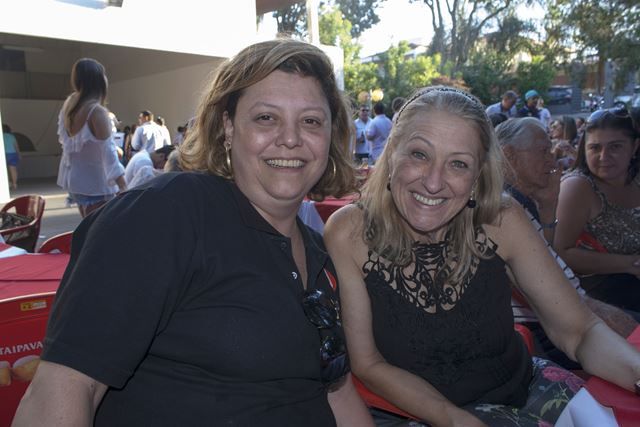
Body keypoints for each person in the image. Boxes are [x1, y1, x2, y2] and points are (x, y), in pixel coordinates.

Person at [12, 39, 373, 427]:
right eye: (266, 118)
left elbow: (337, 394)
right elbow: (63, 389)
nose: (290, 138)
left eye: (311, 121)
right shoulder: (165, 215)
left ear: (331, 135)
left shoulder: (318, 254)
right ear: (227, 127)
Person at [324, 86, 640, 426]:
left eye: (458, 164)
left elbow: (579, 331)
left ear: (477, 176)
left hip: (522, 392)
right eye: (419, 154)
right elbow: (368, 363)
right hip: (415, 413)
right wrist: (453, 419)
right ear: (391, 155)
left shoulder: (501, 219)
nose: (433, 182)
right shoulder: (348, 232)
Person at [497, 117, 638, 369]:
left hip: (557, 321)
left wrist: (549, 206)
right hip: (541, 332)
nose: (551, 160)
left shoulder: (519, 202)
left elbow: (545, 259)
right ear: (509, 156)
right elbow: (571, 303)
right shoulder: (502, 209)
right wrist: (634, 333)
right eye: (543, 151)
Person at [554, 107, 640, 312]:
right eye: (595, 148)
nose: (604, 156)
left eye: (615, 147)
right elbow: (560, 253)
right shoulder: (578, 187)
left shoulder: (636, 178)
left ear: (635, 147)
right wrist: (630, 264)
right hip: (603, 301)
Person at [55, 58, 126, 218]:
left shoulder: (69, 105)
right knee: (102, 230)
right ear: (99, 80)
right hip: (97, 186)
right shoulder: (96, 112)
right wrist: (124, 187)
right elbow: (109, 155)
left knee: (88, 227)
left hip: (76, 183)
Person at [2, 123, 20, 190]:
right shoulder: (12, 136)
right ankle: (14, 184)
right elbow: (16, 146)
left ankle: (8, 183)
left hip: (4, 154)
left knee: (4, 170)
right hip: (13, 154)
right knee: (13, 169)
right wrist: (19, 154)